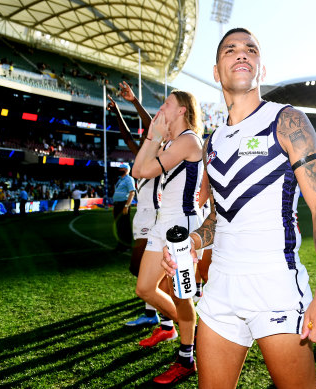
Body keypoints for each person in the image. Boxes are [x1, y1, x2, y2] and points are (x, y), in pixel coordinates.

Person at [161, 28, 316, 388]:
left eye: (250, 49)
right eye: (231, 49)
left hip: (275, 285)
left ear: (261, 67)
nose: (241, 54)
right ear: (216, 71)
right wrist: (195, 242)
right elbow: (221, 215)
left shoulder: (287, 120)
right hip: (220, 289)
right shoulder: (213, 140)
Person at [132, 89, 207, 384]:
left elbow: (141, 170)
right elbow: (139, 169)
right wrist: (154, 135)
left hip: (181, 228)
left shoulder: (188, 140)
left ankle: (186, 357)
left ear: (181, 110)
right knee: (145, 289)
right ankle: (192, 328)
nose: (162, 107)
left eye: (167, 103)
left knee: (181, 294)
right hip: (162, 224)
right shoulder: (172, 142)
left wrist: (153, 136)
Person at [106, 85, 165, 328]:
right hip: (142, 215)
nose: (143, 138)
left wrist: (134, 102)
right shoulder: (140, 154)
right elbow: (126, 136)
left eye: (148, 135)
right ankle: (152, 313)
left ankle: (163, 307)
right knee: (141, 269)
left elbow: (149, 122)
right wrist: (116, 111)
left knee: (138, 267)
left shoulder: (160, 152)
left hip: (154, 215)